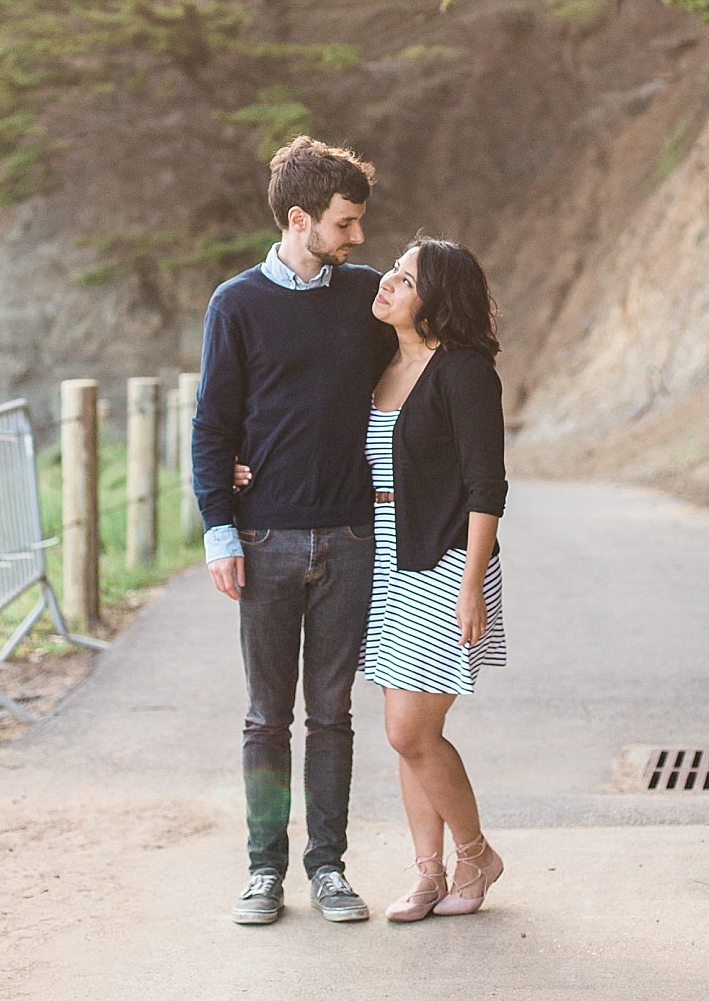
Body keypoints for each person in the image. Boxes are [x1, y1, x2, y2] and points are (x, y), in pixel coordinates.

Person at [192, 135, 394, 927]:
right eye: (345, 223)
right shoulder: (236, 303)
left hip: (350, 537)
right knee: (266, 717)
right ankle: (263, 871)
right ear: (300, 219)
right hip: (265, 539)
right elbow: (213, 425)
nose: (358, 237)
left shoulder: (367, 296)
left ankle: (329, 868)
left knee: (333, 716)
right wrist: (220, 527)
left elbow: (420, 366)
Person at [362, 236, 508, 921]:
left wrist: (471, 583)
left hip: (445, 561)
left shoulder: (464, 371)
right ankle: (428, 874)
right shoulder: (380, 362)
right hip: (387, 558)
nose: (388, 282)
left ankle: (476, 855)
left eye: (406, 279)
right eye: (393, 271)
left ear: (436, 301)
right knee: (408, 733)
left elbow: (486, 485)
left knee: (408, 731)